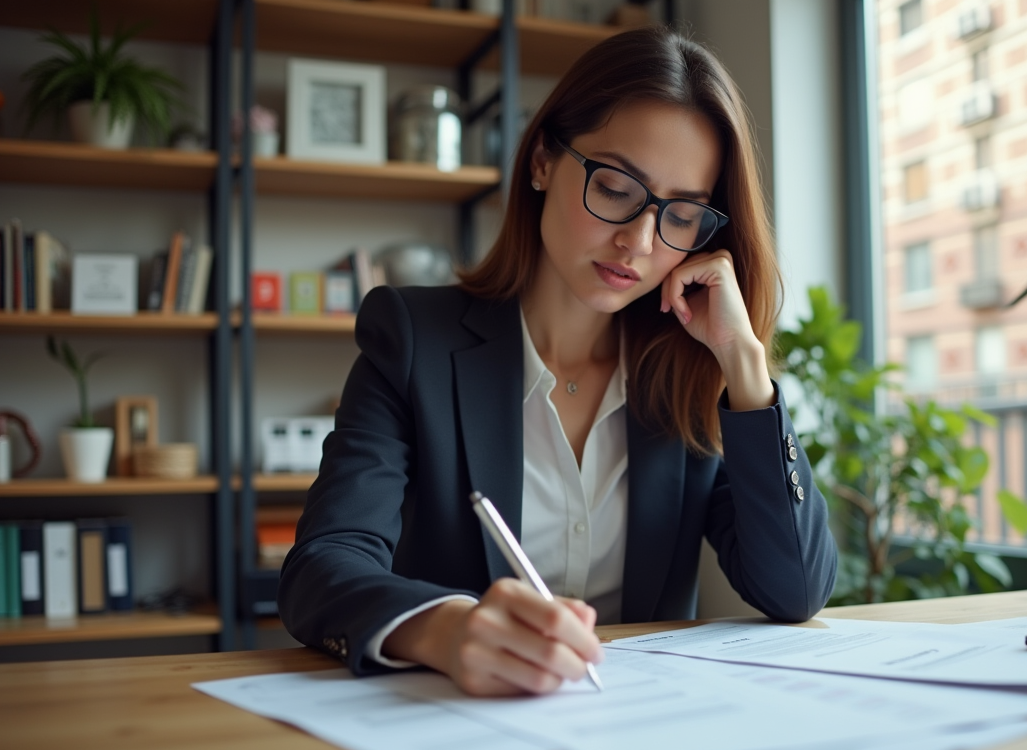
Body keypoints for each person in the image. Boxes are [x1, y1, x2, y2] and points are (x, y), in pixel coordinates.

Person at [279, 26, 837, 696]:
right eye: (616, 186)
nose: (637, 240)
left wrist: (745, 367)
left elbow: (795, 590)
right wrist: (448, 629)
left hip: (642, 737)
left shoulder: (688, 374)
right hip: (454, 727)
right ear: (542, 160)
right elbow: (322, 564)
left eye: (681, 213)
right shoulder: (413, 338)